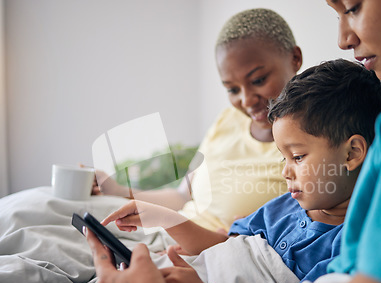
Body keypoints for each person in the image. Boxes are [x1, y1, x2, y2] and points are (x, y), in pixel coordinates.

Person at [86, 0, 381, 283]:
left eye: (354, 6)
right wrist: (162, 218)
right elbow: (222, 234)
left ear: (353, 153)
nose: (344, 38)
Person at [98, 59, 381, 283]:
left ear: (352, 153)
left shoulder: (353, 243)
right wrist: (165, 218)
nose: (286, 171)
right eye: (283, 157)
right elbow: (222, 246)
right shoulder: (282, 208)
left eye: (298, 157)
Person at [94, 8, 303, 233]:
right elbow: (182, 195)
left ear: (295, 59)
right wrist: (116, 190)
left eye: (258, 80)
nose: (246, 100)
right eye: (232, 89)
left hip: (208, 253)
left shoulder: (311, 139)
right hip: (170, 236)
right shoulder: (227, 120)